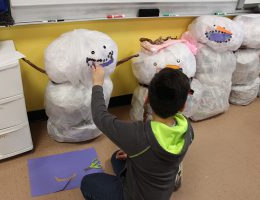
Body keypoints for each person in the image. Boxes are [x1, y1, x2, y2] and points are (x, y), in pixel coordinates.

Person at [81, 63, 194, 200]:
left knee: (87, 182)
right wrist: (132, 153)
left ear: (147, 99)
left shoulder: (138, 136)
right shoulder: (187, 128)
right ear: (183, 106)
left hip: (134, 196)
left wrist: (97, 83)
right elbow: (155, 148)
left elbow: (100, 116)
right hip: (161, 188)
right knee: (116, 157)